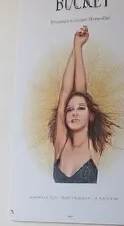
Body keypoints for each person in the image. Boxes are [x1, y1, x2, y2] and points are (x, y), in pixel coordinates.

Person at [49, 26, 117, 184]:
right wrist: (76, 46)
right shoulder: (61, 144)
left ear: (91, 116)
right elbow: (64, 93)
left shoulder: (93, 145)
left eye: (81, 108)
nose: (74, 113)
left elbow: (81, 92)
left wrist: (78, 48)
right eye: (70, 110)